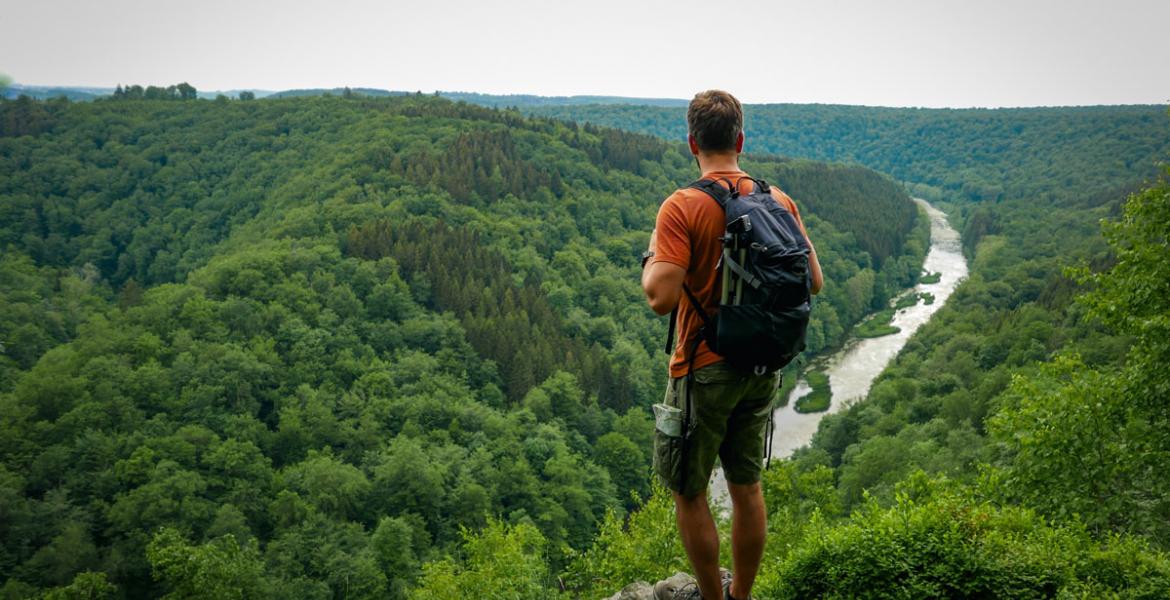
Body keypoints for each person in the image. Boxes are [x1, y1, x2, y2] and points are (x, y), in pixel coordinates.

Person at [640, 90, 824, 600]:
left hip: (703, 368)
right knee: (747, 489)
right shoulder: (779, 200)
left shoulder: (682, 205)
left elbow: (661, 297)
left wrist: (655, 255)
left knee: (689, 490)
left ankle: (712, 598)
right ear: (740, 139)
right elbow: (814, 280)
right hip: (762, 367)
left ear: (691, 143)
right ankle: (741, 595)